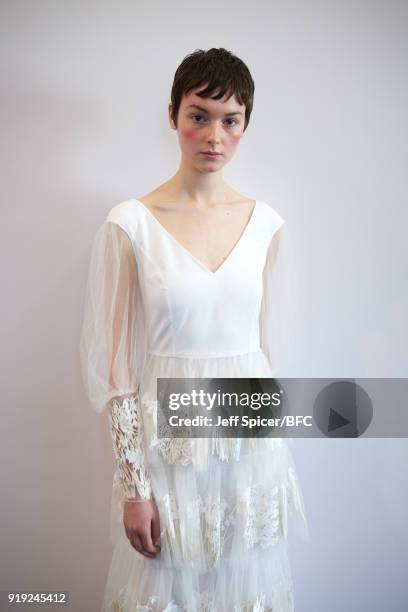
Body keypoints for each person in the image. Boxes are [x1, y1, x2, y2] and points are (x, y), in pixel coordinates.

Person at [79, 47, 309, 612]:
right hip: (167, 449)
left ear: (245, 125)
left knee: (242, 587)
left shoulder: (266, 225)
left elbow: (267, 357)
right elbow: (114, 369)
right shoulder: (130, 223)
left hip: (245, 451)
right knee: (166, 590)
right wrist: (135, 488)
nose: (213, 135)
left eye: (230, 120)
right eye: (198, 115)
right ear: (173, 116)